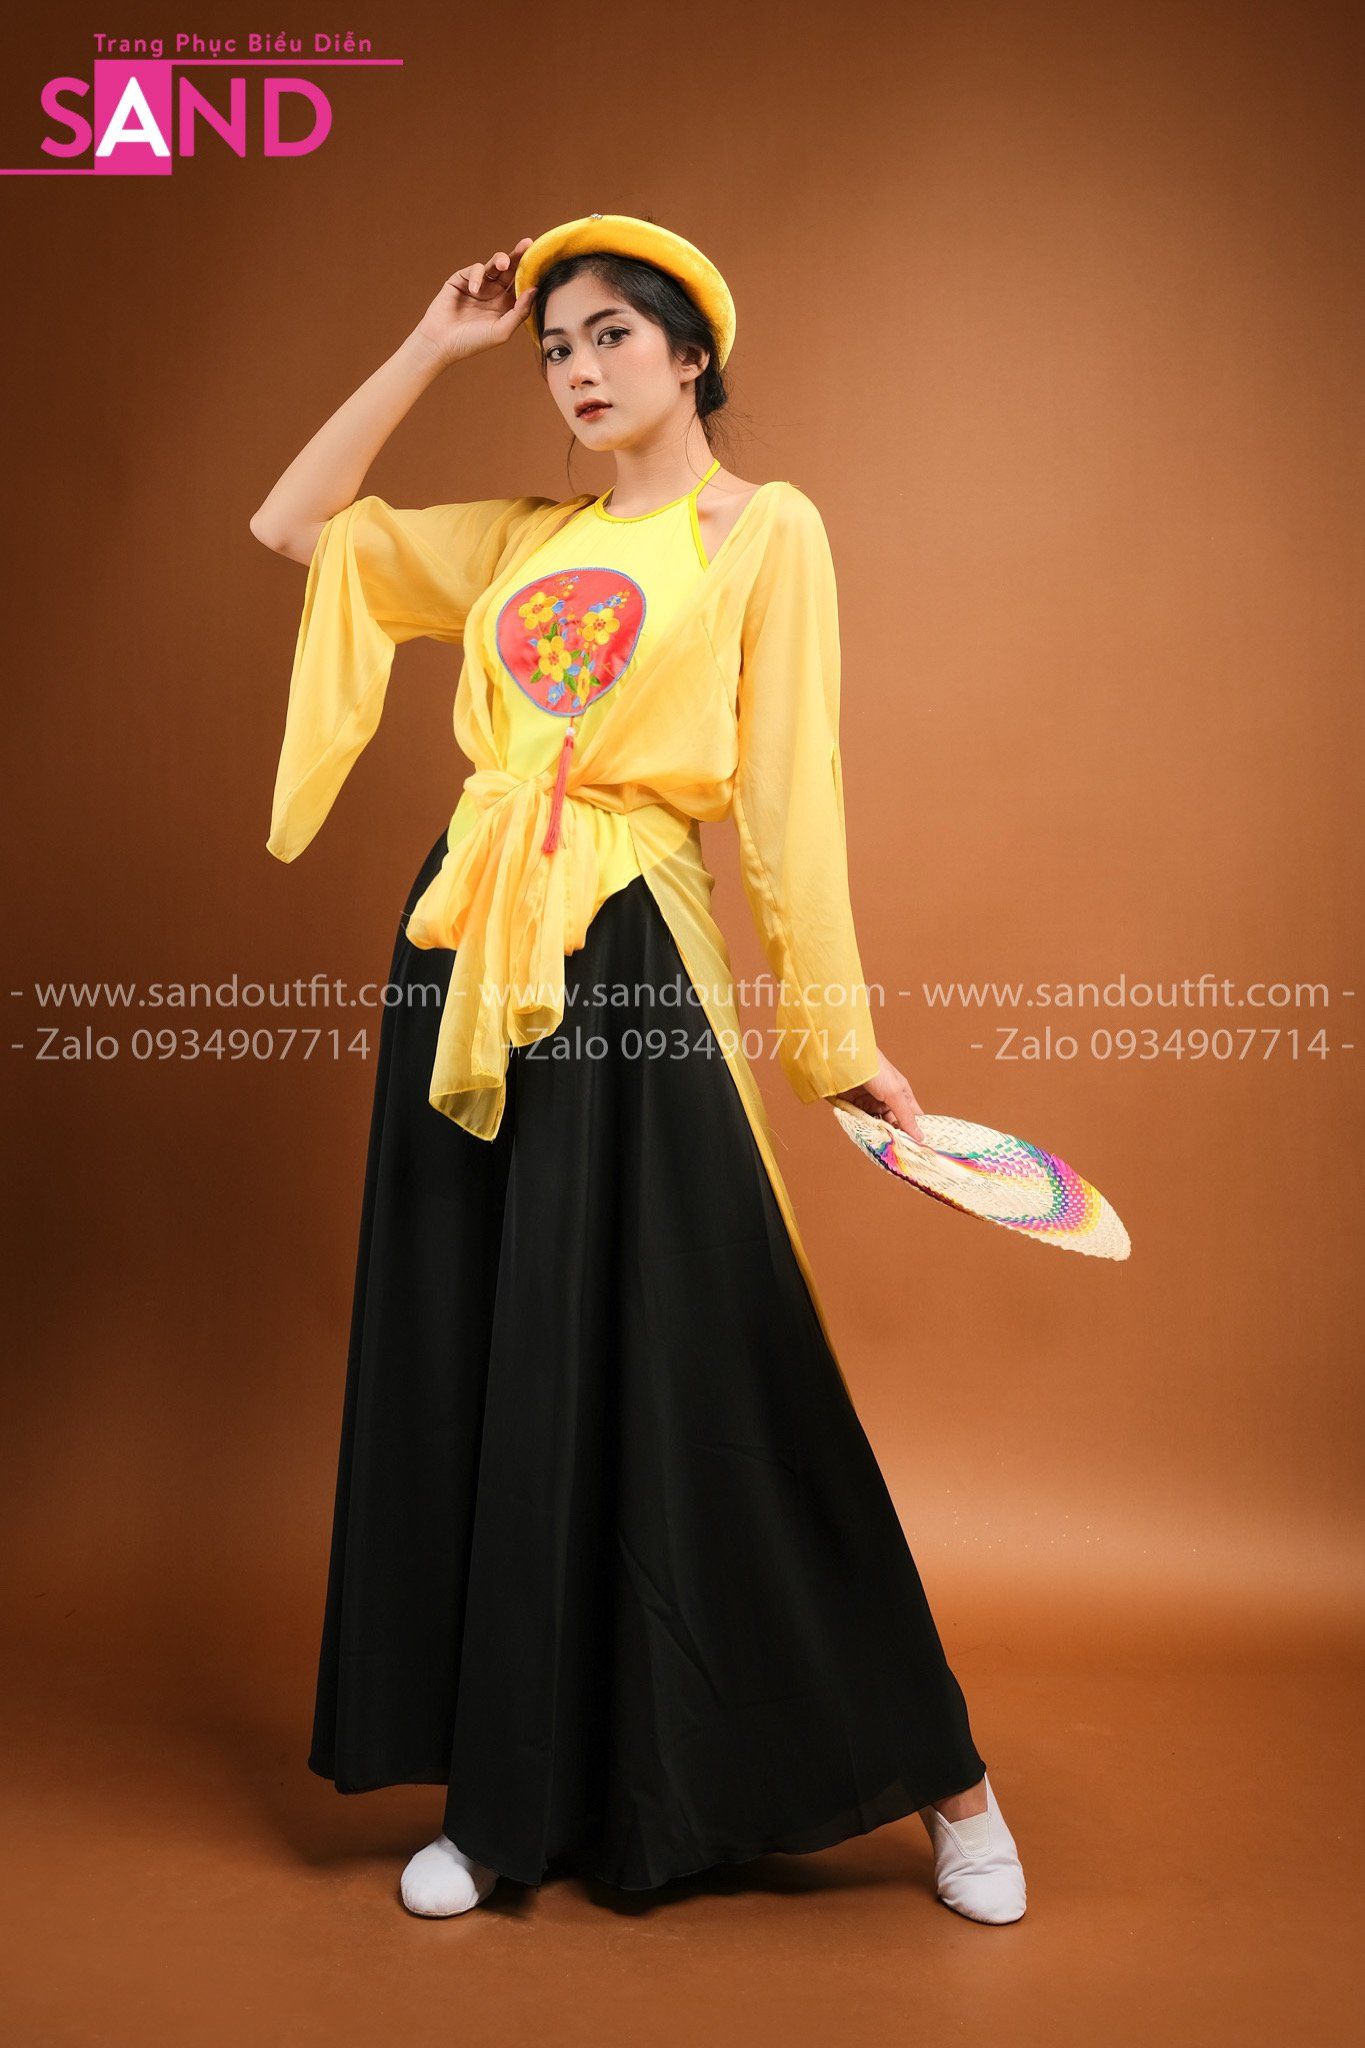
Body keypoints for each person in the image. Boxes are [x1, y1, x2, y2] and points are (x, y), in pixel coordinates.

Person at [250, 214, 1026, 1924]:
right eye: (553, 347)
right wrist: (429, 345)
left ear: (691, 357)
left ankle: (947, 1783)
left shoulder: (763, 532)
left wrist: (837, 1048)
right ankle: (501, 1803)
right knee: (482, 1351)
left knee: (717, 1355)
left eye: (610, 336)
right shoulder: (518, 539)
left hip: (627, 954)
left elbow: (793, 797)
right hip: (468, 959)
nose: (577, 370)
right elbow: (297, 526)